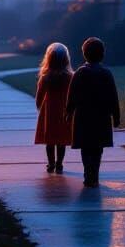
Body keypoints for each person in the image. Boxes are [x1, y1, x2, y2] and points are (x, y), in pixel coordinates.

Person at [65, 37, 120, 187]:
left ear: (84, 54)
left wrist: (68, 111)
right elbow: (113, 96)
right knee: (97, 147)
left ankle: (88, 172)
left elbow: (72, 95)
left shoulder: (80, 73)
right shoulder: (106, 73)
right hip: (101, 116)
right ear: (102, 54)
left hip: (83, 116)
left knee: (85, 146)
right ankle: (94, 173)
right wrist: (116, 115)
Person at [34, 43, 74, 173]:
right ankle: (59, 163)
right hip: (64, 110)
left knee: (49, 140)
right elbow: (73, 94)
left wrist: (39, 106)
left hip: (49, 111)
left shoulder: (45, 77)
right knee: (61, 140)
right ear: (66, 59)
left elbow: (39, 96)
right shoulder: (70, 77)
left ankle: (51, 163)